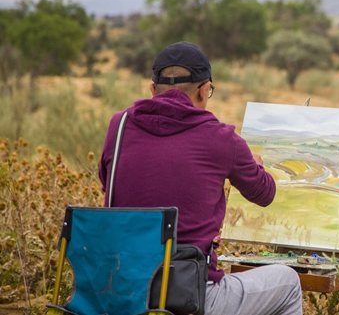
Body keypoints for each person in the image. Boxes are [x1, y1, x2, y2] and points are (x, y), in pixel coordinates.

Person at [99, 41, 303, 315]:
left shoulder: (119, 125)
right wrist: (257, 166)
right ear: (205, 90)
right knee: (288, 282)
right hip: (188, 294)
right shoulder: (221, 138)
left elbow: (107, 180)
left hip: (119, 290)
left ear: (152, 89)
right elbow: (264, 193)